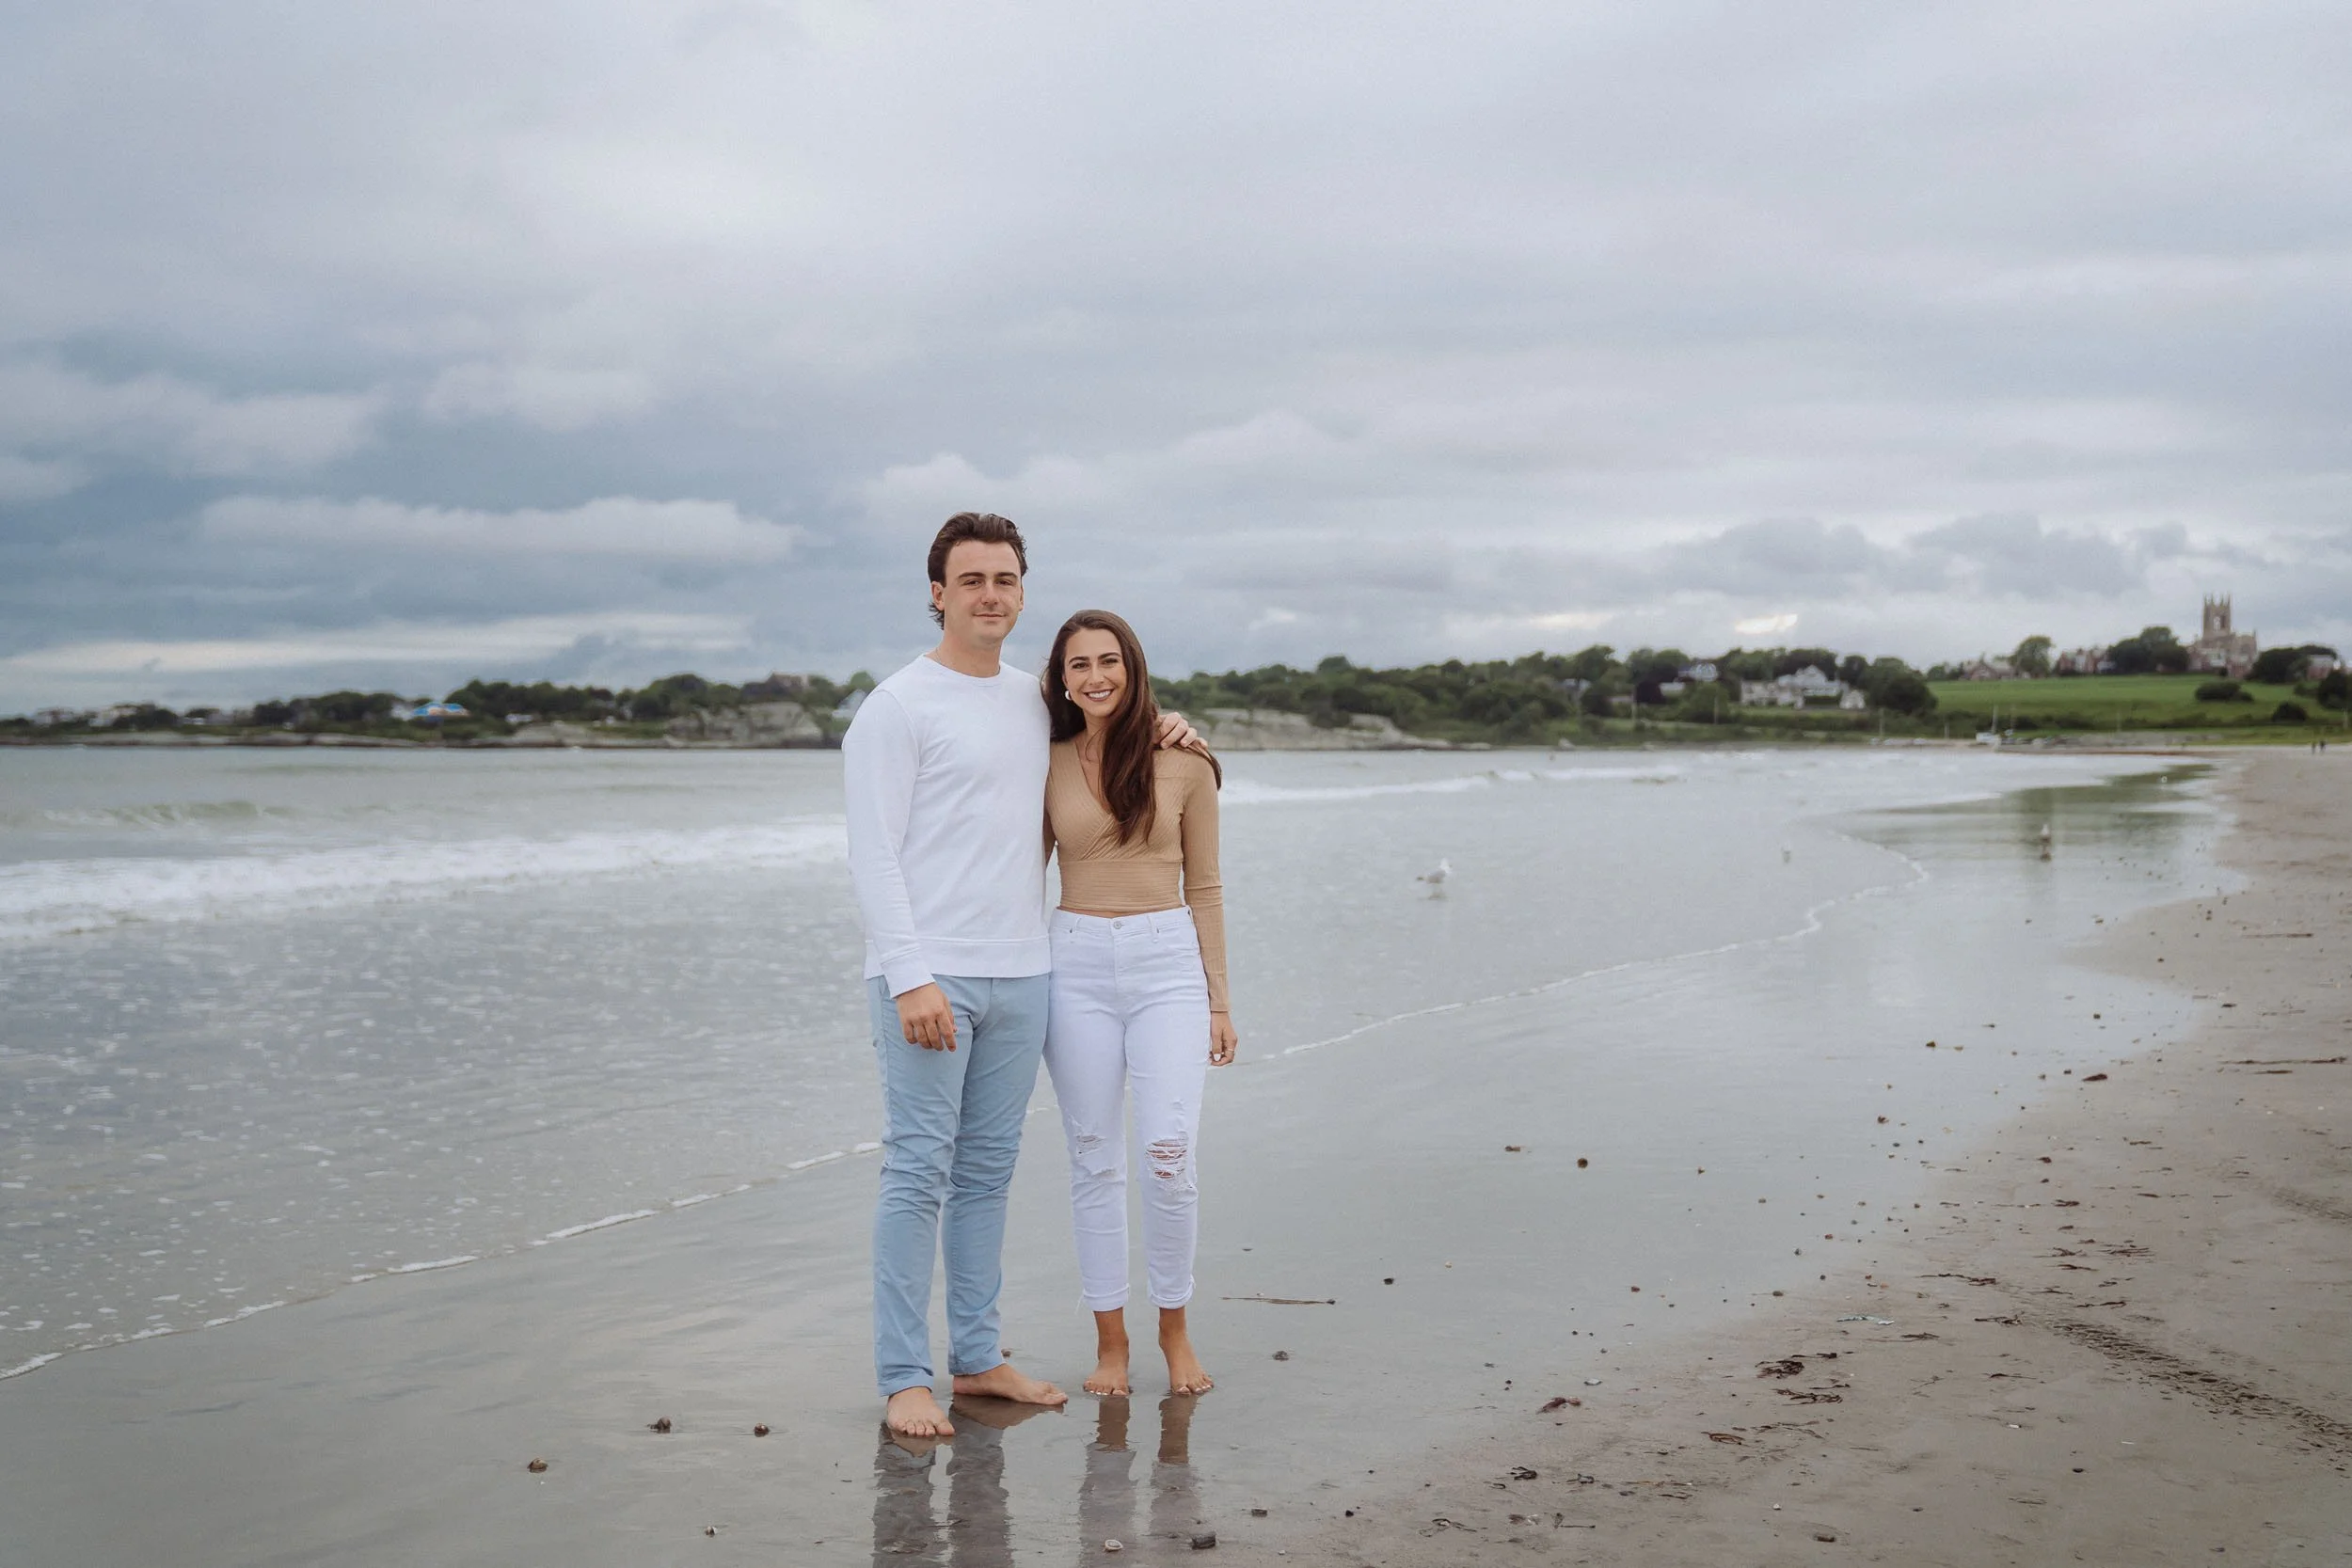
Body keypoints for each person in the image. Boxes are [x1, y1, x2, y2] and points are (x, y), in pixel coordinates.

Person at [842, 514, 1199, 1440]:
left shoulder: (1029, 702)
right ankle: (903, 1376)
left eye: (1004, 578)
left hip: (1027, 972)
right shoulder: (896, 706)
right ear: (937, 591)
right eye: (970, 579)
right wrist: (910, 974)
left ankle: (976, 1356)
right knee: (918, 1169)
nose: (988, 593)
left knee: (988, 1173)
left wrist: (1168, 724)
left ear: (1022, 592)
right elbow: (874, 855)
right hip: (932, 979)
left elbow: (1106, 732)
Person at [1040, 610, 1237, 1398]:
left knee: (1167, 1156)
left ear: (1133, 666)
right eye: (1079, 664)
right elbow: (1018, 876)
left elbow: (1208, 885)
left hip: (1167, 966)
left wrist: (1220, 1000)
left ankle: (1174, 1327)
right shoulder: (1043, 759)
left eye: (1109, 661)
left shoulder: (1185, 761)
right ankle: (1111, 1344)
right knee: (1092, 1156)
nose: (1096, 676)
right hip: (1074, 964)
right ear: (1061, 678)